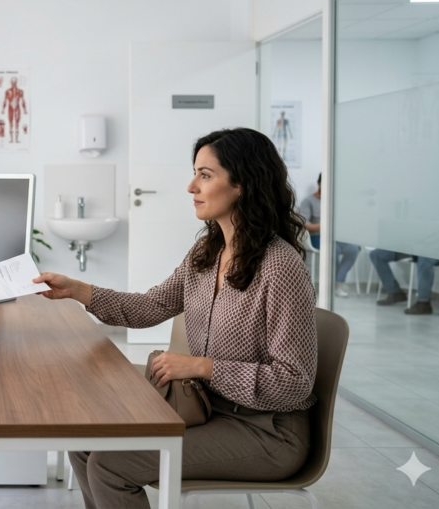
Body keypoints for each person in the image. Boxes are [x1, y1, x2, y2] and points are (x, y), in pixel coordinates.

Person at [34, 128, 315, 509]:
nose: (190, 186)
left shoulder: (280, 267)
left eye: (205, 175)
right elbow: (149, 307)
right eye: (195, 173)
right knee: (85, 443)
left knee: (112, 465)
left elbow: (294, 384)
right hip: (206, 411)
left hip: (266, 431)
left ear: (243, 184)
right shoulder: (207, 251)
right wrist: (77, 289)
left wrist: (202, 366)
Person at [298, 173, 359, 297]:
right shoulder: (308, 201)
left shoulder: (335, 201)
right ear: (319, 184)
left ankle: (338, 282)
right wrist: (326, 225)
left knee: (354, 248)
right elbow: (305, 225)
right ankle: (330, 286)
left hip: (335, 236)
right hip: (316, 236)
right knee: (333, 250)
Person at [369, 249, 439, 315]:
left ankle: (423, 303)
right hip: (413, 248)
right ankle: (395, 292)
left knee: (424, 257)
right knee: (376, 254)